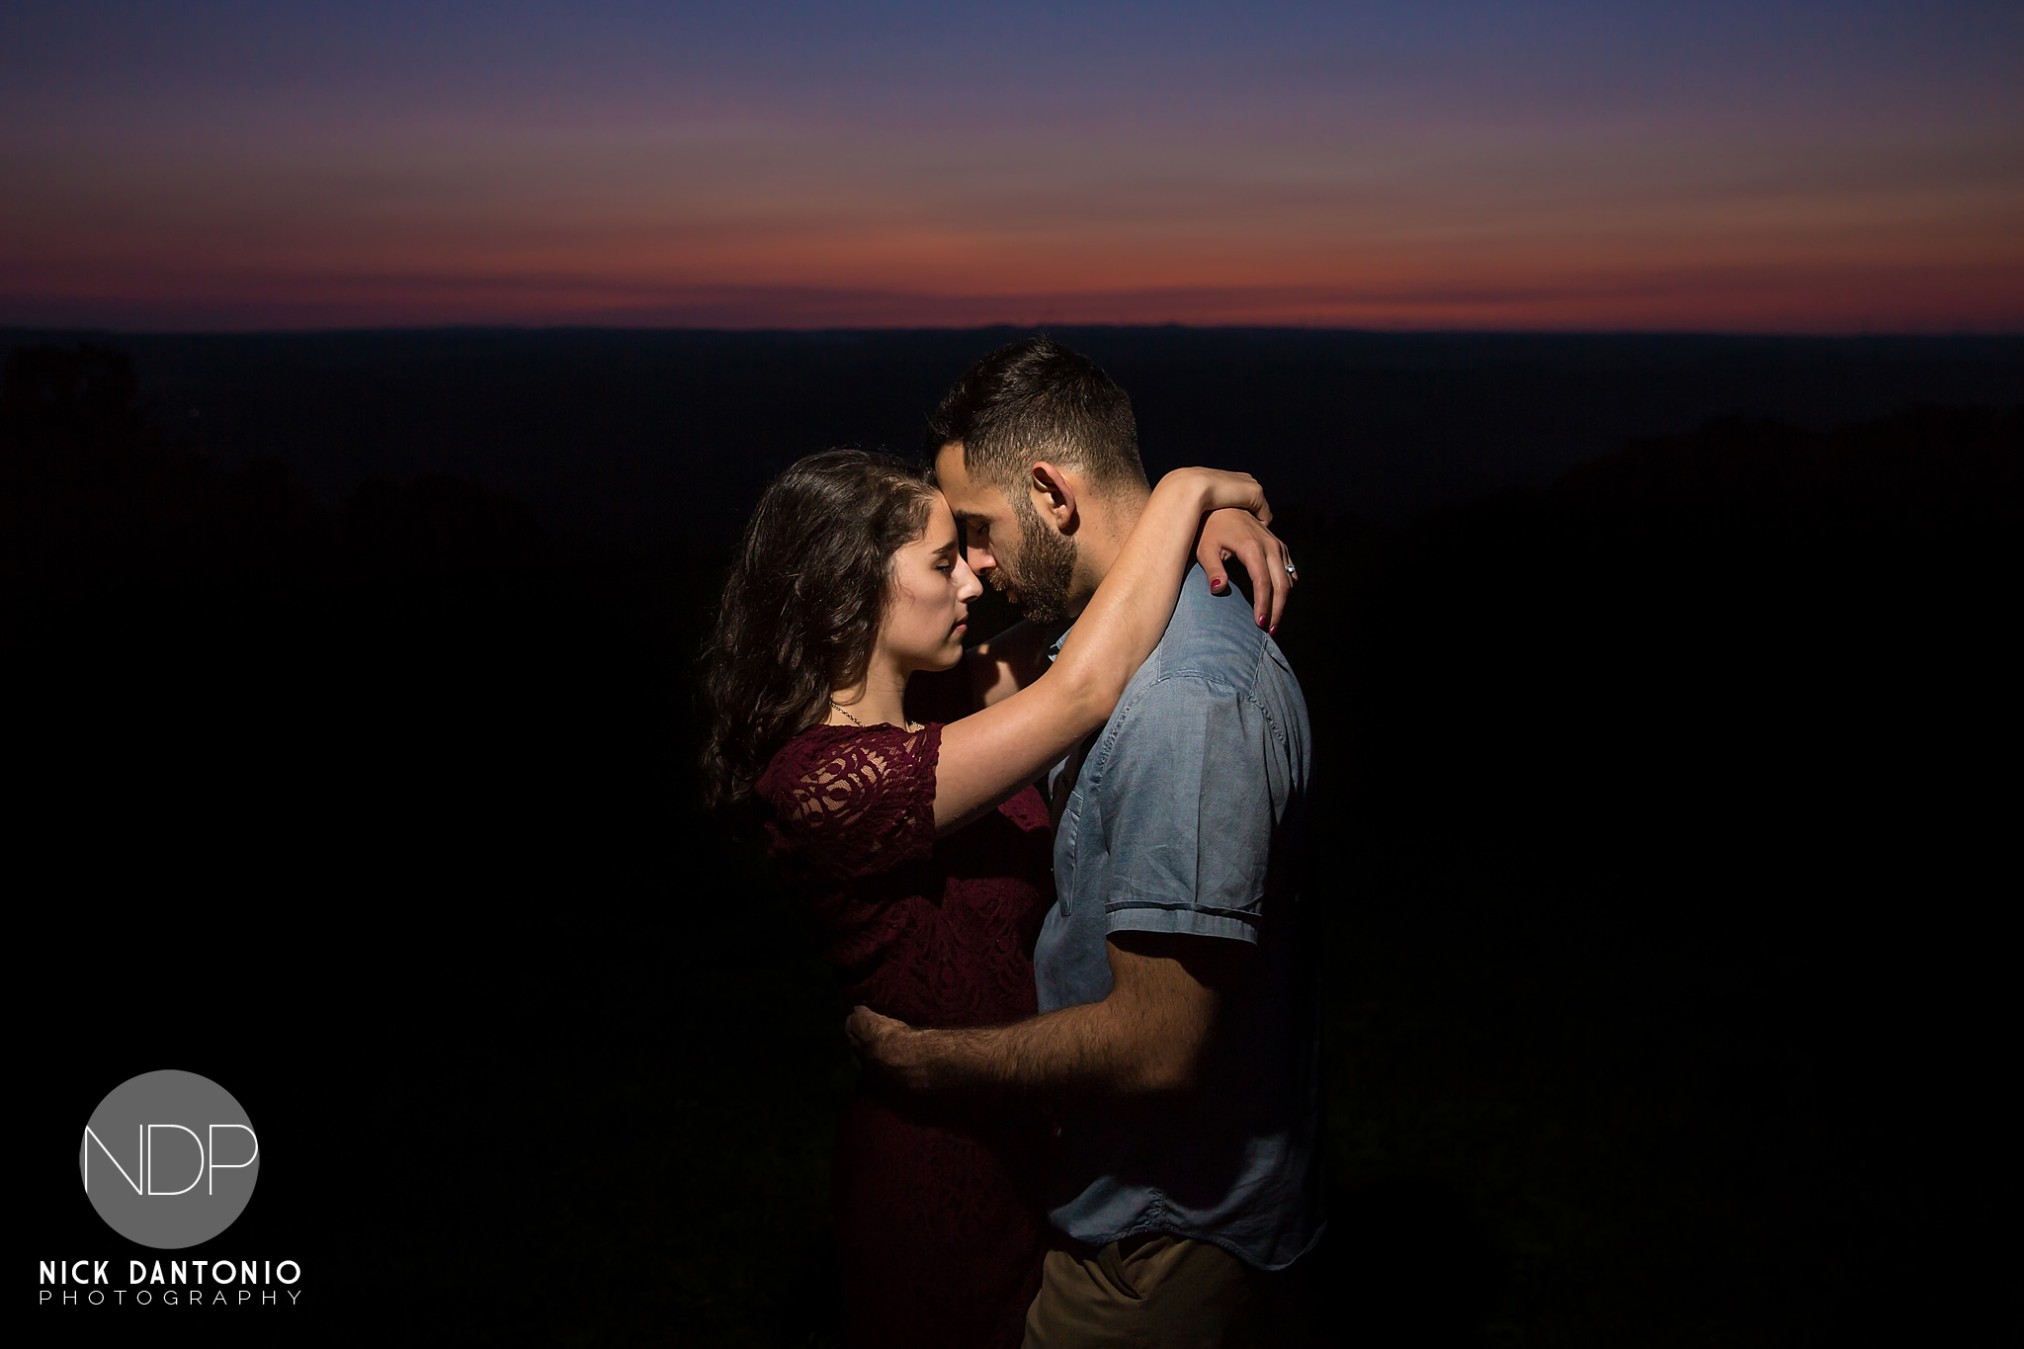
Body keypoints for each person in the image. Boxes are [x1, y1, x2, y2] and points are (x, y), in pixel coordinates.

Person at [700, 446, 1293, 1349]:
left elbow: (1108, 612)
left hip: (1033, 1151)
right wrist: (1186, 489)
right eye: (943, 561)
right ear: (849, 587)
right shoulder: (823, 782)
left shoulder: (948, 703)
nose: (974, 578)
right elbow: (1085, 685)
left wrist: (1203, 531)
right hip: (933, 1177)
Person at [846, 337, 1322, 1348]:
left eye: (977, 529)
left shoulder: (1188, 696)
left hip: (1162, 1243)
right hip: (1119, 1208)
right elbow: (1054, 683)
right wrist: (1201, 495)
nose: (974, 565)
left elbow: (1158, 1042)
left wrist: (933, 1065)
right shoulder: (1119, 638)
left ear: (1052, 496)